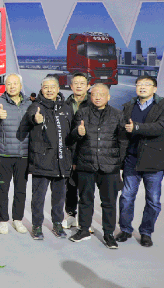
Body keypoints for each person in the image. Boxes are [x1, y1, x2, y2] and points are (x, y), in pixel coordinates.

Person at [68, 84, 127, 248]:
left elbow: (123, 141)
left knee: (109, 202)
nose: (98, 97)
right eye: (94, 94)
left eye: (102, 94)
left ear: (108, 97)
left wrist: (118, 162)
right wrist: (78, 133)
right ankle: (84, 230)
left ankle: (108, 234)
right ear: (90, 96)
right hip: (86, 164)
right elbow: (72, 138)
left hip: (110, 166)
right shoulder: (82, 113)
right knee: (85, 200)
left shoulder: (117, 114)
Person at [116, 76, 164, 247]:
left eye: (147, 85)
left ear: (154, 89)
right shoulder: (129, 106)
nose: (142, 87)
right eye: (139, 84)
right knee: (126, 197)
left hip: (154, 161)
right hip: (132, 159)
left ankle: (146, 232)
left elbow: (162, 127)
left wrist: (137, 127)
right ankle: (125, 229)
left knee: (153, 201)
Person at [23, 75, 74, 240]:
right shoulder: (36, 106)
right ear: (41, 89)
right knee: (38, 198)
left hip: (61, 160)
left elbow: (71, 133)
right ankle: (37, 226)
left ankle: (57, 223)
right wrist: (34, 119)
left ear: (58, 89)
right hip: (42, 160)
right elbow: (30, 117)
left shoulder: (66, 108)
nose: (50, 90)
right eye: (46, 87)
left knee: (59, 197)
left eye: (53, 87)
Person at [0, 73, 32, 235]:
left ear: (20, 86)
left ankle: (18, 220)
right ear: (5, 86)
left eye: (15, 83)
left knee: (20, 189)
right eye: (9, 84)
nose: (12, 86)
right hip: (4, 154)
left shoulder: (29, 104)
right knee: (3, 189)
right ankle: (3, 221)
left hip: (23, 154)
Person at [62, 73, 91, 229]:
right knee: (71, 185)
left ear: (88, 86)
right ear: (71, 86)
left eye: (82, 83)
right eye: (76, 83)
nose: (79, 86)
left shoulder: (94, 103)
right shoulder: (65, 104)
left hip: (88, 149)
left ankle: (85, 218)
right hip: (70, 149)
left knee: (86, 186)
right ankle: (71, 215)